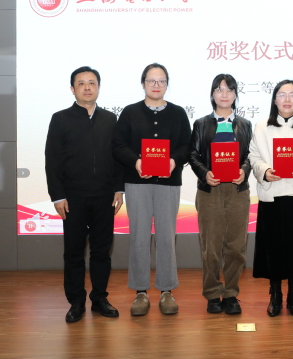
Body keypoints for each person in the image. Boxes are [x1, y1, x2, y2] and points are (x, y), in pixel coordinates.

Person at [45, 66, 124, 323]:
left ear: (99, 87)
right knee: (74, 253)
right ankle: (76, 302)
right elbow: (52, 160)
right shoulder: (60, 119)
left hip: (105, 197)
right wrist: (58, 196)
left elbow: (117, 157)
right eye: (81, 83)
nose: (87, 87)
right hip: (73, 198)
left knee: (101, 252)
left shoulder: (110, 119)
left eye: (92, 83)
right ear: (72, 89)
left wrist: (119, 188)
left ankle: (99, 298)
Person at [113, 63, 191, 315]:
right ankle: (140, 292)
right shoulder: (130, 112)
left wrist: (174, 161)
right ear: (143, 83)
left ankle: (167, 290)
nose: (156, 85)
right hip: (138, 183)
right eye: (151, 81)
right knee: (139, 236)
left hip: (168, 183)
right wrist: (136, 162)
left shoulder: (178, 113)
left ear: (167, 84)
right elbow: (118, 145)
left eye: (161, 81)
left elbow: (186, 145)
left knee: (167, 237)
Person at [249, 79, 293, 317]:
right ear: (274, 100)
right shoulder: (261, 127)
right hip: (273, 195)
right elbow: (254, 156)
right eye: (282, 95)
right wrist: (264, 171)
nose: (287, 99)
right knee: (274, 249)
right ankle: (275, 295)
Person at [189, 74, 253, 315]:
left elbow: (250, 155)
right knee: (211, 246)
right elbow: (193, 155)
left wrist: (244, 170)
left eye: (229, 90)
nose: (224, 94)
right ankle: (212, 293)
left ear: (236, 94)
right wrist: (204, 173)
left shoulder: (245, 125)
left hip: (237, 190)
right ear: (212, 94)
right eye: (219, 89)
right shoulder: (201, 124)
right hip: (210, 191)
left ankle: (231, 293)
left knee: (236, 246)